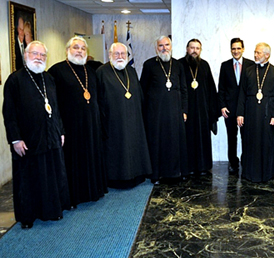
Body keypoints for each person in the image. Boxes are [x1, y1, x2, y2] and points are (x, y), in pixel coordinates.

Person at [3, 41, 70, 228]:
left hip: (51, 136)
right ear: (26, 55)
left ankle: (52, 211)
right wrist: (15, 138)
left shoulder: (48, 79)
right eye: (35, 54)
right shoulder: (15, 80)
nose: (39, 58)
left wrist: (61, 131)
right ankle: (28, 217)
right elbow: (9, 113)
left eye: (42, 55)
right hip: (28, 140)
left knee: (52, 174)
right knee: (29, 179)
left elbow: (56, 108)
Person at [48, 36, 108, 207]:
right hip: (70, 127)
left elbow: (98, 99)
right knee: (73, 161)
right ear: (67, 50)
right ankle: (74, 196)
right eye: (76, 47)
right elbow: (53, 103)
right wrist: (59, 128)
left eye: (83, 48)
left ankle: (92, 191)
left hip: (91, 125)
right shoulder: (56, 71)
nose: (79, 51)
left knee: (91, 157)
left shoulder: (91, 71)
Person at [96, 42, 152, 188]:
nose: (120, 57)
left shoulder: (131, 71)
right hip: (113, 121)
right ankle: (117, 179)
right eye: (116, 54)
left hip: (134, 119)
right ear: (110, 55)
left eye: (123, 54)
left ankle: (136, 175)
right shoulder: (101, 72)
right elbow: (99, 100)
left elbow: (139, 95)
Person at [140, 35, 189, 183]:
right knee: (157, 144)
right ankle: (157, 174)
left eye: (167, 45)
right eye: (161, 46)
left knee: (176, 143)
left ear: (171, 46)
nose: (164, 48)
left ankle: (178, 172)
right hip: (156, 114)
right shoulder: (149, 65)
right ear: (156, 48)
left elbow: (184, 89)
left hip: (175, 112)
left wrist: (184, 110)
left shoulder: (178, 65)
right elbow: (143, 89)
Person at [236, 43, 274, 183]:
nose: (255, 55)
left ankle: (267, 174)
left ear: (267, 55)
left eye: (259, 53)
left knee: (267, 142)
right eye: (255, 52)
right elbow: (242, 94)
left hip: (268, 113)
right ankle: (249, 173)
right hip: (250, 112)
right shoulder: (248, 71)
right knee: (250, 142)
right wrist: (240, 113)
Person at [179, 39, 219, 175]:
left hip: (202, 110)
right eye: (192, 48)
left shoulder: (204, 65)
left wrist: (212, 112)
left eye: (197, 48)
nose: (194, 51)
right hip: (187, 110)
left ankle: (203, 167)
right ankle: (188, 167)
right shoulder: (179, 65)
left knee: (202, 138)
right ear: (187, 48)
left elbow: (211, 89)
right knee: (187, 138)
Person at [218, 38, 253, 174]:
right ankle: (233, 163)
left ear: (243, 49)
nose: (236, 51)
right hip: (230, 109)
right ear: (231, 50)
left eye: (239, 48)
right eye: (233, 48)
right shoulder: (225, 65)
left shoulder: (251, 65)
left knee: (246, 137)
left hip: (246, 109)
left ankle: (246, 161)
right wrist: (222, 106)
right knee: (231, 137)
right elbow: (221, 88)